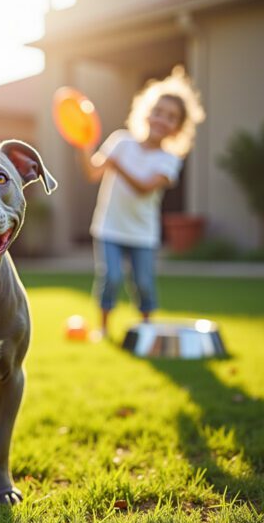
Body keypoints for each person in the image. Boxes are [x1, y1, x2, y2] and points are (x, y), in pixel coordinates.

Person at [76, 67, 205, 338]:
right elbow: (91, 172)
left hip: (143, 233)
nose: (162, 119)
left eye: (171, 117)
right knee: (110, 279)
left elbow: (145, 189)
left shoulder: (169, 160)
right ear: (147, 113)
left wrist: (116, 166)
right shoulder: (120, 142)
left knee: (144, 283)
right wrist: (83, 141)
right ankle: (103, 328)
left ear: (179, 128)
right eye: (159, 112)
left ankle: (147, 328)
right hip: (109, 226)